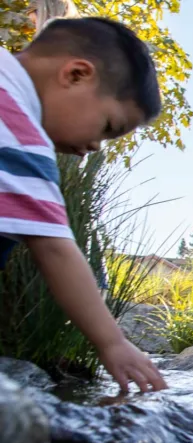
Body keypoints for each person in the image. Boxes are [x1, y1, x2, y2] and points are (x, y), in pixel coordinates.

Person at [0, 17, 166, 393]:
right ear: (76, 75)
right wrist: (113, 343)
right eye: (108, 126)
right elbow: (54, 249)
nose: (96, 146)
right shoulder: (17, 131)